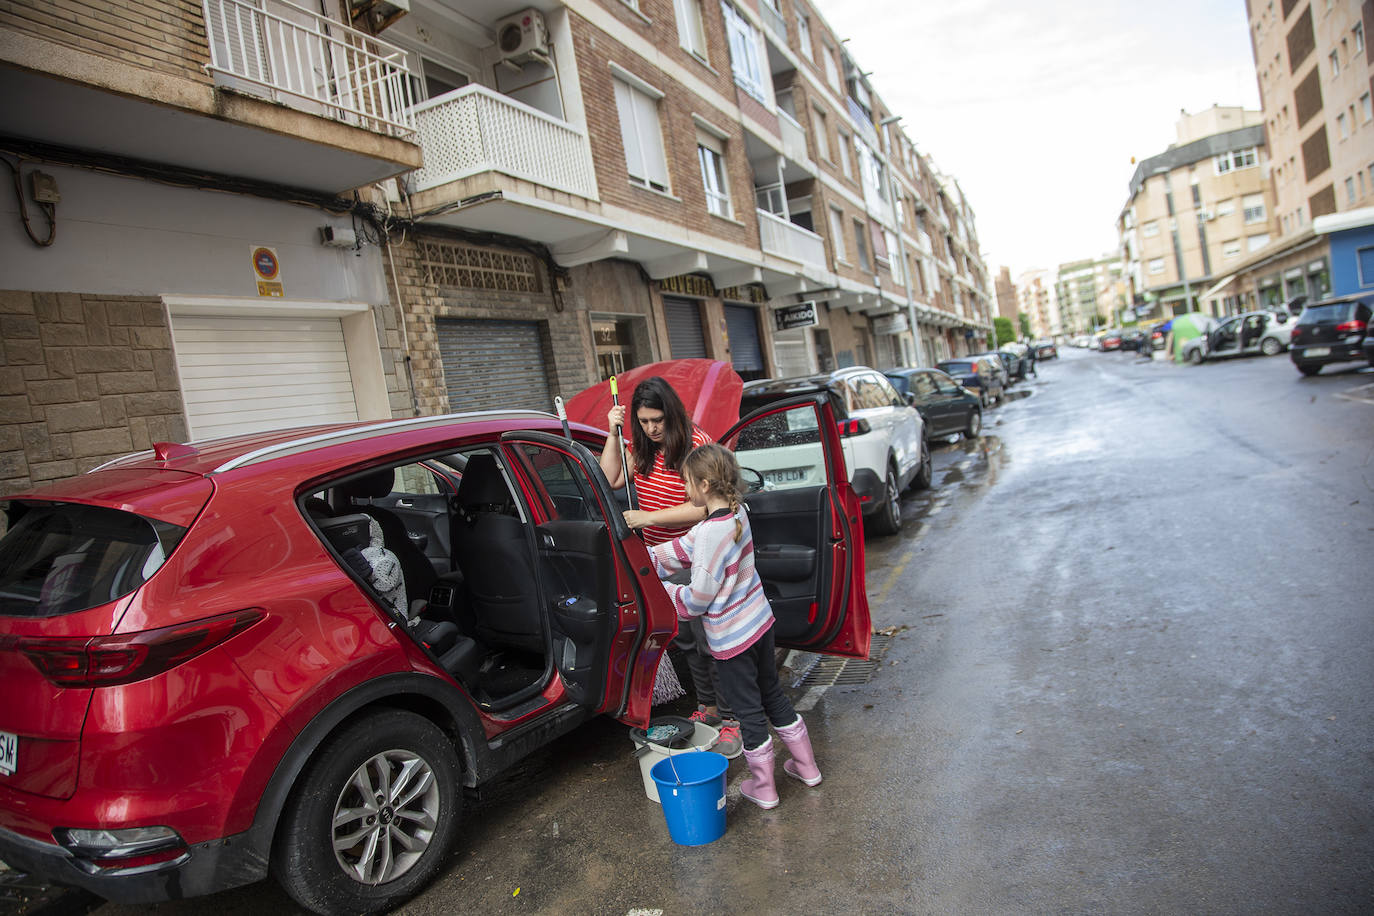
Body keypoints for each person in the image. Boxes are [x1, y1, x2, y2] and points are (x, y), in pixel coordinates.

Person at [650, 443, 822, 810]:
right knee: (773, 695)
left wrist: (661, 590)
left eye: (687, 483)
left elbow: (697, 599)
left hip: (733, 640)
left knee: (747, 711)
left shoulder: (712, 534)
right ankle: (807, 767)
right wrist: (644, 561)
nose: (685, 490)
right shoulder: (734, 512)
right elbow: (684, 547)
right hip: (759, 625)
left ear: (706, 484)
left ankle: (765, 788)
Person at [599, 376, 741, 758]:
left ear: (671, 413)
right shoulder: (642, 447)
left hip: (697, 555)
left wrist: (648, 518)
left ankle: (732, 720)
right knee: (687, 640)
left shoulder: (695, 445)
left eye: (657, 420)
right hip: (658, 559)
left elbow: (709, 504)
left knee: (712, 641)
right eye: (643, 422)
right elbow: (609, 478)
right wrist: (614, 433)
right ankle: (709, 709)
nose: (652, 428)